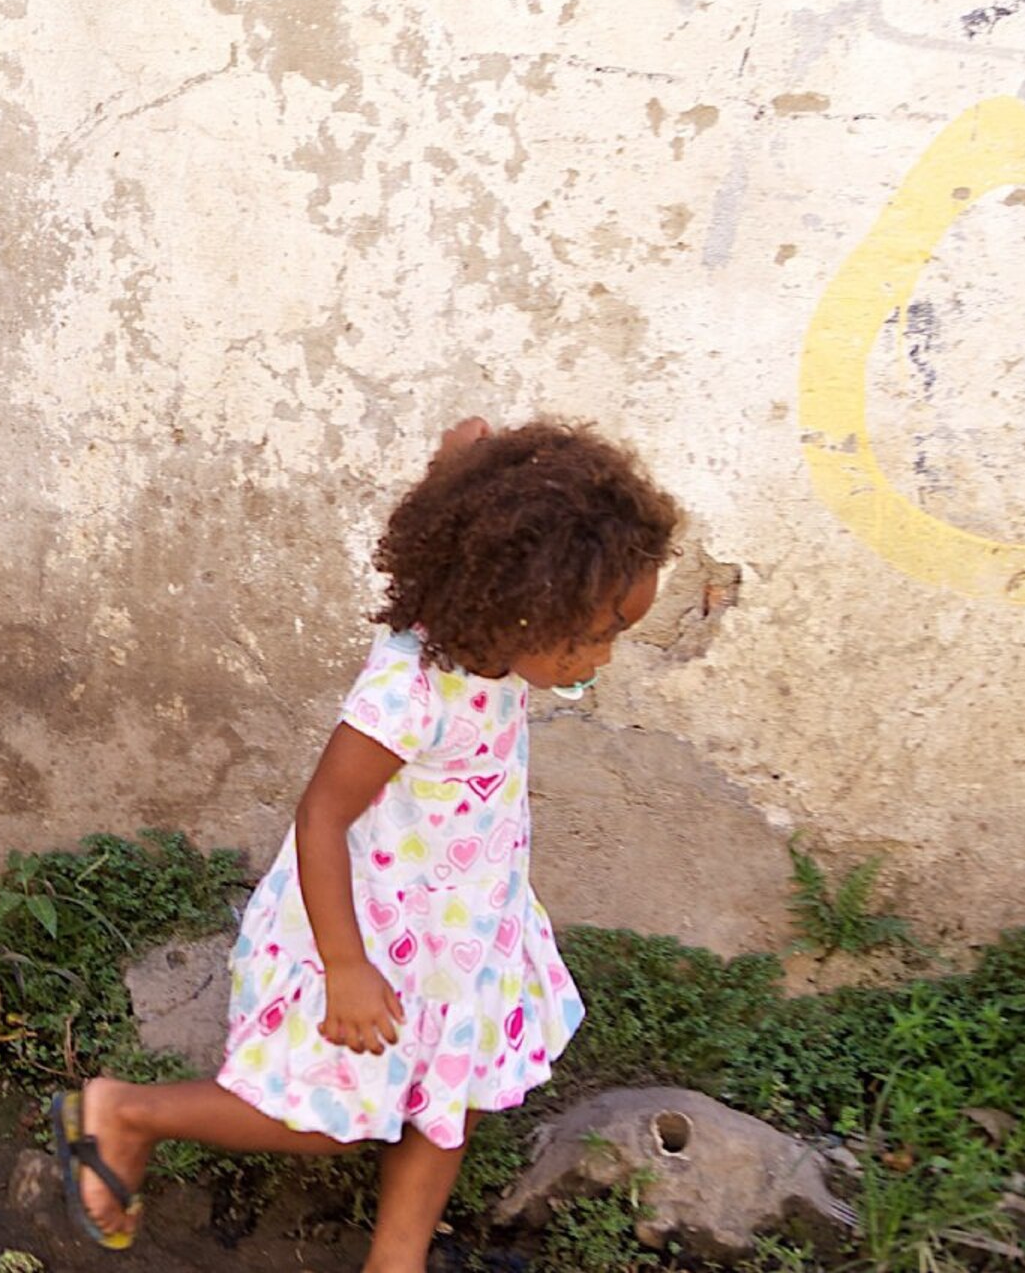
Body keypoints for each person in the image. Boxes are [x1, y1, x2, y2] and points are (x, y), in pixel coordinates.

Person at [51, 418, 678, 1272]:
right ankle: (127, 1113)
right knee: (321, 1124)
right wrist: (346, 966)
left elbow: (466, 484)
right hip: (365, 930)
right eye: (593, 633)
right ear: (523, 599)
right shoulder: (408, 695)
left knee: (446, 1092)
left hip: (462, 931)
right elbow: (320, 817)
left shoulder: (481, 614)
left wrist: (465, 460)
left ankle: (396, 1259)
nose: (601, 658)